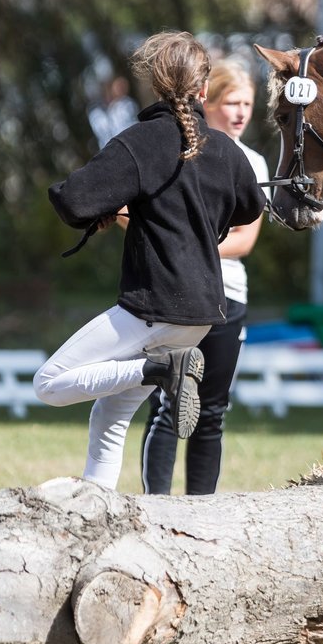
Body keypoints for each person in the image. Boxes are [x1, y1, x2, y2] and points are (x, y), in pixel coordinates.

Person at [33, 32, 266, 490]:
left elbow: (73, 200)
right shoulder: (225, 148)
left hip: (153, 308)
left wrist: (110, 206)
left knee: (50, 383)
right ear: (203, 90)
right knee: (111, 414)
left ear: (155, 85)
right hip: (202, 315)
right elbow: (250, 206)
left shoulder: (141, 142)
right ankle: (95, 504)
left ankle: (158, 371)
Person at [140, 60, 269, 495]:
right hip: (173, 293)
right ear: (206, 102)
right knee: (167, 401)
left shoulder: (252, 161)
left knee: (211, 411)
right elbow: (133, 214)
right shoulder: (170, 148)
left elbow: (244, 240)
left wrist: (186, 246)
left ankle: (203, 513)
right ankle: (154, 507)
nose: (240, 112)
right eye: (232, 101)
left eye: (247, 103)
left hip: (227, 296)